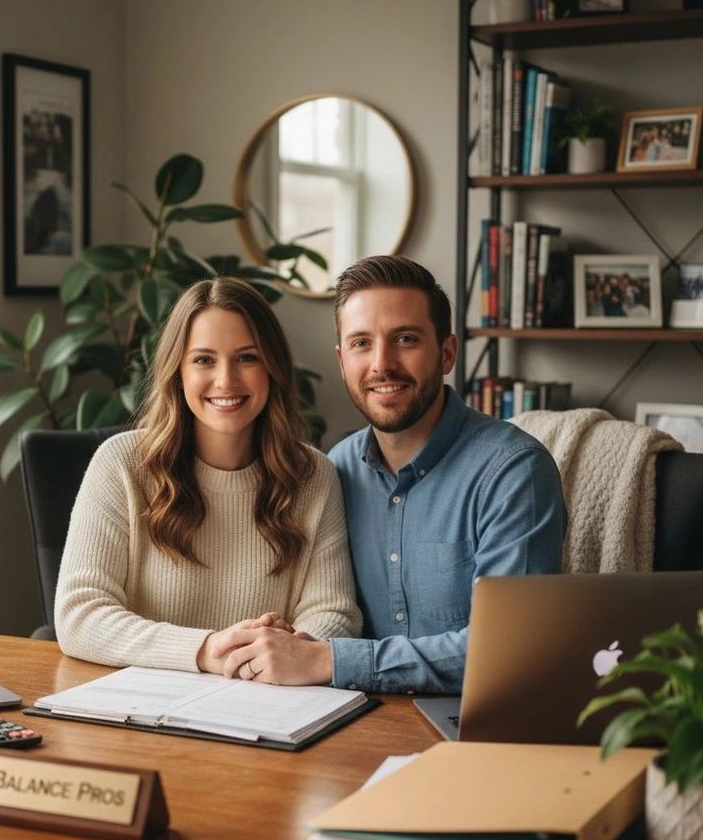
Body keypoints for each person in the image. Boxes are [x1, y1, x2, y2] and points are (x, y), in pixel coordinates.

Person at [216, 255, 566, 692]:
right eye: (362, 343)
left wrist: (331, 660)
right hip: (351, 721)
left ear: (447, 353)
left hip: (477, 728)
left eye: (405, 339)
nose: (382, 364)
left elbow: (510, 648)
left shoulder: (513, 472)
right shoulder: (333, 470)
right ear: (342, 361)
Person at [54, 277, 361, 672]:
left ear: (273, 367)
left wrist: (288, 649)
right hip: (140, 710)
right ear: (177, 371)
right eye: (203, 359)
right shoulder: (121, 464)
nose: (226, 380)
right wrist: (208, 650)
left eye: (247, 358)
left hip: (264, 706)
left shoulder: (314, 476)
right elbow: (80, 615)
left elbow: (335, 613)